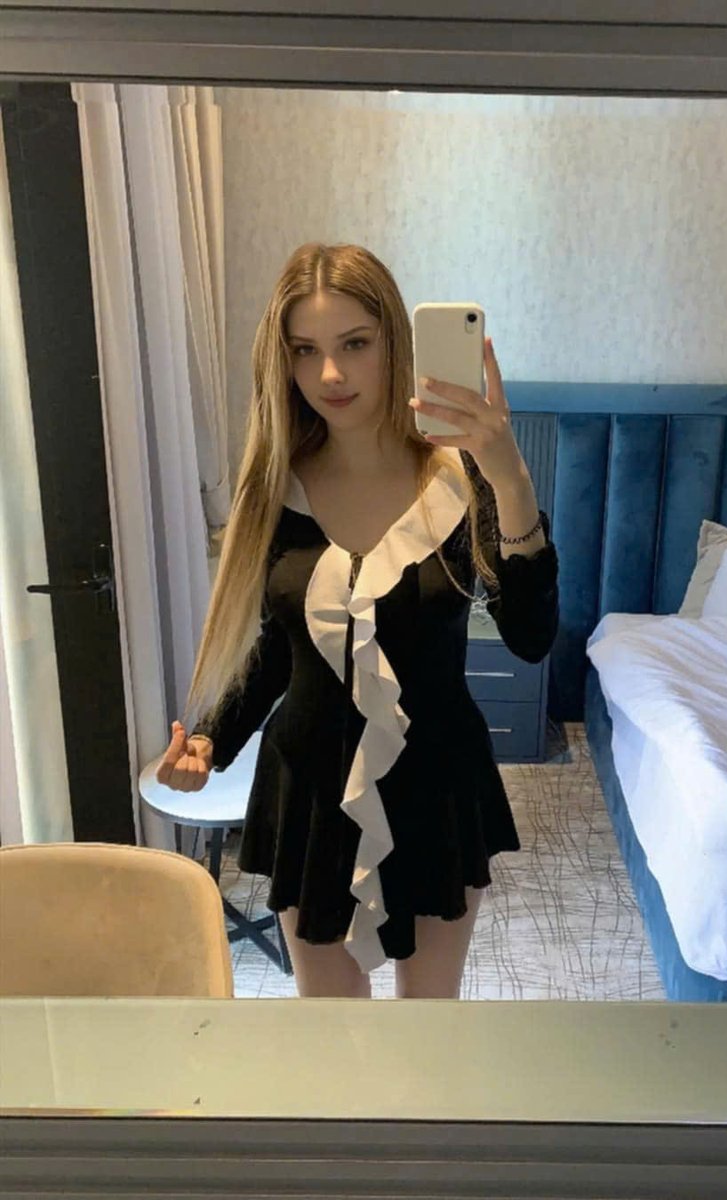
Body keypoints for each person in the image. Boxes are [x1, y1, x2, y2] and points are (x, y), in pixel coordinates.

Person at [156, 242, 558, 1000]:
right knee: (332, 1035)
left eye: (354, 344)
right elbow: (280, 650)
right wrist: (212, 736)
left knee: (427, 1030)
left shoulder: (463, 479)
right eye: (305, 350)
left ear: (394, 343)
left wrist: (510, 476)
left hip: (437, 785)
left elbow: (530, 638)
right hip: (309, 792)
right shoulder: (275, 488)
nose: (330, 375)